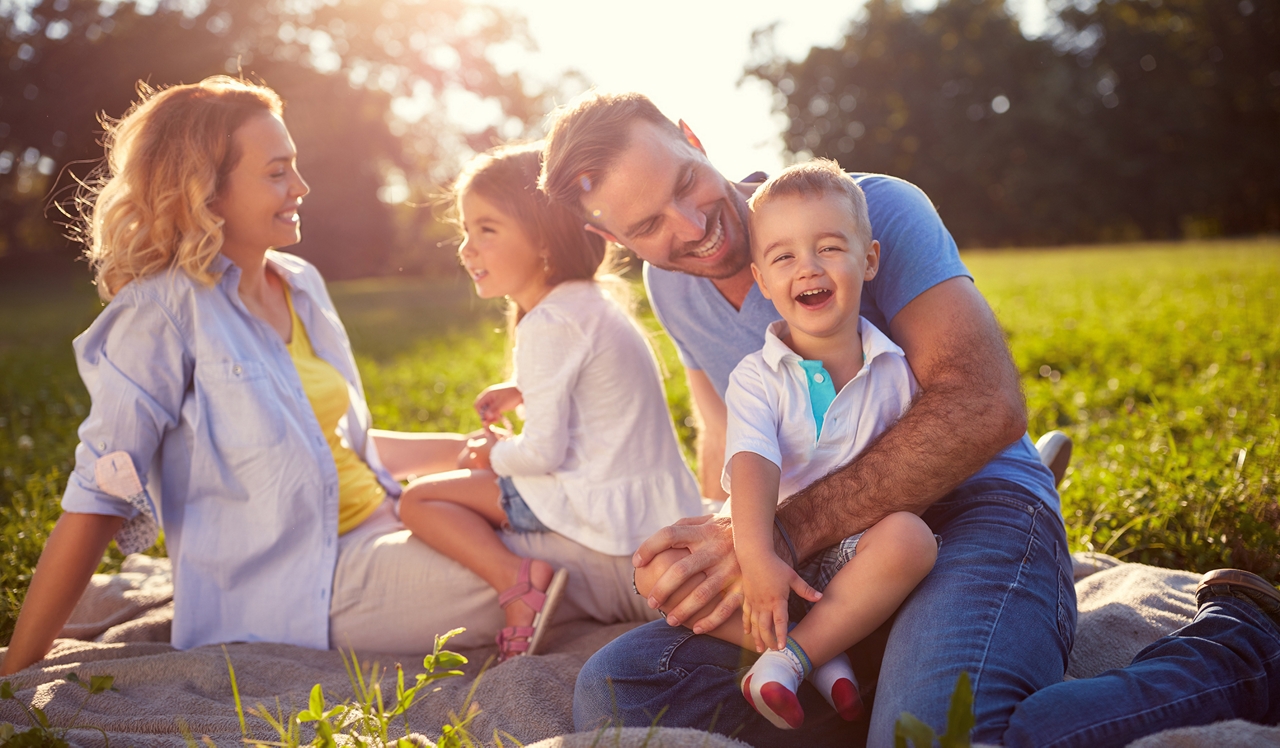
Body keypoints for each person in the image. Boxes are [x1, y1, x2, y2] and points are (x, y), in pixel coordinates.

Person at [540, 90, 1280, 747]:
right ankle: (876, 683)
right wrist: (716, 548)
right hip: (831, 560)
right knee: (620, 689)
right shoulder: (672, 288)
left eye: (685, 183)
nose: (692, 223)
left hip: (974, 505)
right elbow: (731, 436)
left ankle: (1243, 649)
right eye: (648, 224)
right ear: (615, 241)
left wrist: (781, 533)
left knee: (936, 736)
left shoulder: (871, 209)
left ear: (691, 136)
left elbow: (982, 405)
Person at [0, 79, 658, 676]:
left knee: (571, 521)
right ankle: (705, 594)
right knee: (570, 561)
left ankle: (707, 571)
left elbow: (342, 448)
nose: (301, 187)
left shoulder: (301, 285)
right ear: (208, 191)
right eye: (277, 172)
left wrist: (472, 455)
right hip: (303, 586)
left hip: (383, 523)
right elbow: (99, 497)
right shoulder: (158, 315)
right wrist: (20, 663)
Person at [635, 160, 937, 730]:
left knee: (912, 540)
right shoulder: (757, 376)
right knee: (659, 570)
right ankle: (821, 654)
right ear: (763, 280)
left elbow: (913, 473)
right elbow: (751, 465)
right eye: (783, 258)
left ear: (868, 260)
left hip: (852, 555)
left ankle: (790, 659)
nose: (808, 268)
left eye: (828, 248)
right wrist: (757, 557)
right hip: (764, 548)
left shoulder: (896, 368)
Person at [395, 144, 701, 662]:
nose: (467, 248)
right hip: (655, 505)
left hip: (602, 513)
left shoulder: (548, 323)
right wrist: (521, 387)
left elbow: (541, 454)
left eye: (486, 230)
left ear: (542, 240)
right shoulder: (591, 302)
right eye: (466, 230)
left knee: (418, 500)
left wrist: (489, 455)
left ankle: (518, 583)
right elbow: (589, 383)